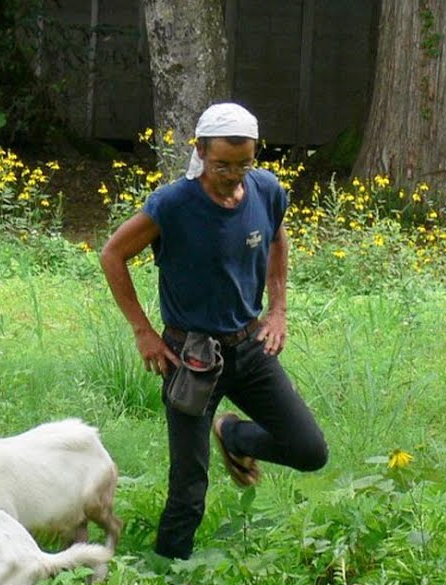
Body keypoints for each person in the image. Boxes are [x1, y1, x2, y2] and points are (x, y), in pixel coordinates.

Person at [99, 102, 328, 560]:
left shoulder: (265, 190)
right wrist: (144, 332)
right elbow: (112, 255)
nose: (234, 174)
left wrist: (278, 308)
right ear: (200, 151)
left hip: (250, 348)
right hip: (191, 357)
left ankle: (236, 436)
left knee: (309, 450)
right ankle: (167, 579)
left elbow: (277, 238)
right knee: (189, 488)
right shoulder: (173, 204)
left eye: (244, 163)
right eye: (223, 164)